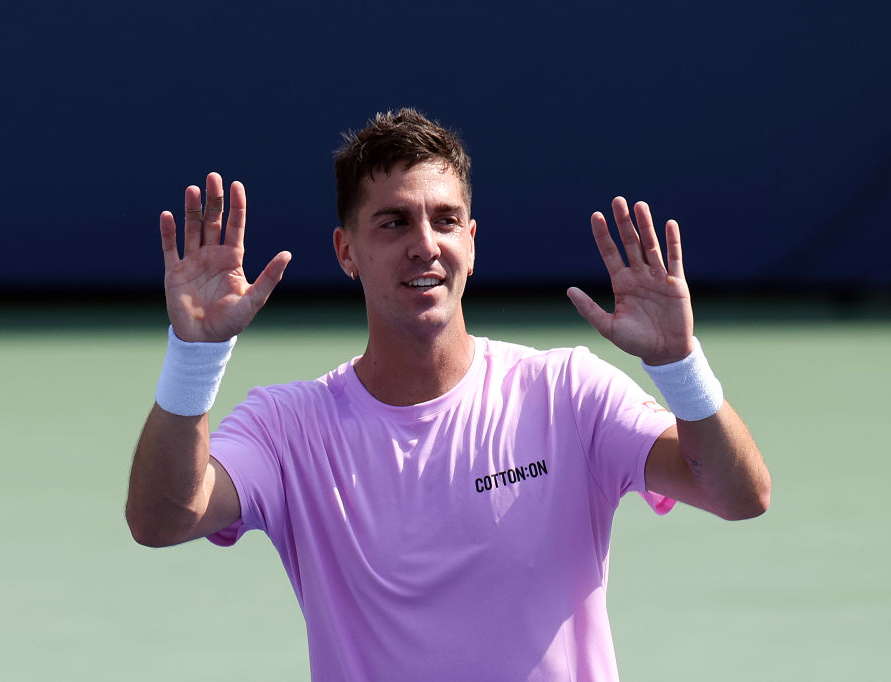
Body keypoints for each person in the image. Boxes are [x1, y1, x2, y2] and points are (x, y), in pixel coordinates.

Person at [125, 108, 771, 681]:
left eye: (446, 220)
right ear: (346, 251)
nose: (425, 245)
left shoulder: (569, 392)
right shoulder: (287, 427)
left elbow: (738, 495)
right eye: (393, 222)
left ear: (471, 241)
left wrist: (680, 365)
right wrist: (196, 357)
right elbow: (162, 520)